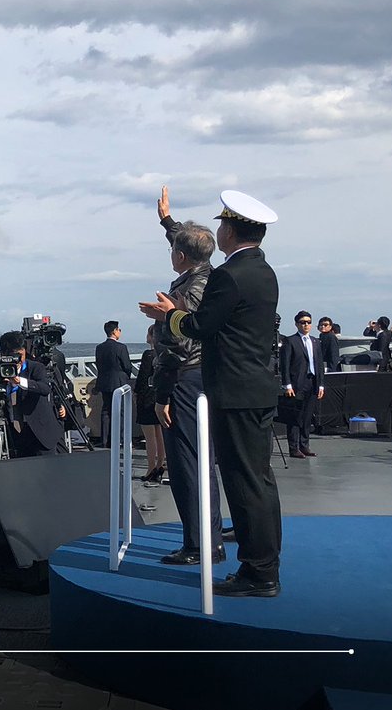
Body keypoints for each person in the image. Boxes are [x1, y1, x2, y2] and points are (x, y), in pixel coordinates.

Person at [140, 190, 282, 598]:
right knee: (259, 481)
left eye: (222, 224)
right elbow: (195, 255)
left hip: (233, 390)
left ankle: (258, 573)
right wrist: (169, 224)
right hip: (255, 387)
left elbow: (199, 327)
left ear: (231, 230)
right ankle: (265, 562)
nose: (218, 232)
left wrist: (168, 316)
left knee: (243, 484)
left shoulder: (228, 276)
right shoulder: (262, 271)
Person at [152, 188, 224, 565]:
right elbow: (189, 245)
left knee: (186, 464)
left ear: (180, 257)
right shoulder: (205, 272)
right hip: (199, 377)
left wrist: (162, 394)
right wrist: (167, 220)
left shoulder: (192, 288)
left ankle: (200, 544)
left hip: (185, 379)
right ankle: (207, 538)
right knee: (201, 461)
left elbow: (180, 342)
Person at [0, 330, 65, 457]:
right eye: (14, 356)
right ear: (3, 354)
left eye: (20, 355)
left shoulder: (36, 368)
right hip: (16, 434)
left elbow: (45, 388)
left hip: (40, 432)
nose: (18, 360)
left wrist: (19, 381)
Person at [281, 310, 325, 458]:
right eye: (303, 322)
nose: (306, 325)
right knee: (295, 416)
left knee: (307, 416)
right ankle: (293, 447)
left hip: (312, 382)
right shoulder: (290, 341)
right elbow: (285, 364)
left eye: (308, 322)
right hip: (297, 383)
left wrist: (320, 385)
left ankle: (304, 445)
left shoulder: (315, 341)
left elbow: (319, 364)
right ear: (296, 324)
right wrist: (287, 384)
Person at [134, 324, 165, 482]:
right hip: (159, 397)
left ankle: (151, 468)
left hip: (147, 399)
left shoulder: (148, 355)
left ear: (152, 336)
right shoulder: (163, 353)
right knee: (159, 433)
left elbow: (142, 378)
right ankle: (160, 464)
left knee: (149, 436)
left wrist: (136, 392)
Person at [93, 321, 132, 444]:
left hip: (104, 382)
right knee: (119, 411)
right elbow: (127, 366)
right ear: (114, 331)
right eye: (119, 329)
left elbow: (99, 365)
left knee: (105, 411)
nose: (120, 332)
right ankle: (119, 439)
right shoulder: (121, 347)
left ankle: (105, 439)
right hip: (119, 382)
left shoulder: (99, 348)